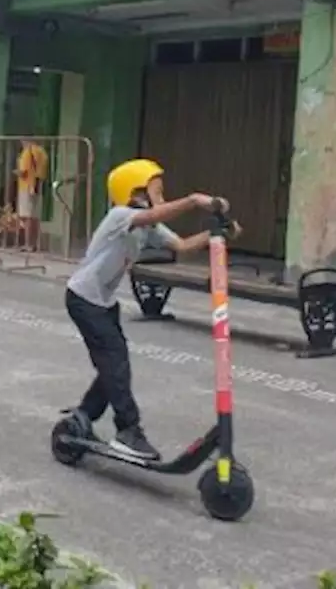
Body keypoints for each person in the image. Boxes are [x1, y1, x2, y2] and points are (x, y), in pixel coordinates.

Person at [63, 157, 227, 462]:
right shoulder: (120, 216)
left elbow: (181, 246)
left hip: (104, 304)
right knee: (116, 363)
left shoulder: (149, 224)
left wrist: (218, 233)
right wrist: (192, 201)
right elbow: (157, 214)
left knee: (113, 366)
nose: (162, 197)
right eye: (158, 191)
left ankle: (84, 415)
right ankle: (128, 430)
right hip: (84, 299)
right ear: (136, 192)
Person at [15, 138, 49, 252]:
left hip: (27, 186)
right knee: (35, 217)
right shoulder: (42, 152)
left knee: (27, 217)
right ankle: (35, 243)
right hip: (38, 186)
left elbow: (23, 171)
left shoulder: (27, 152)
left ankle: (28, 244)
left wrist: (16, 172)